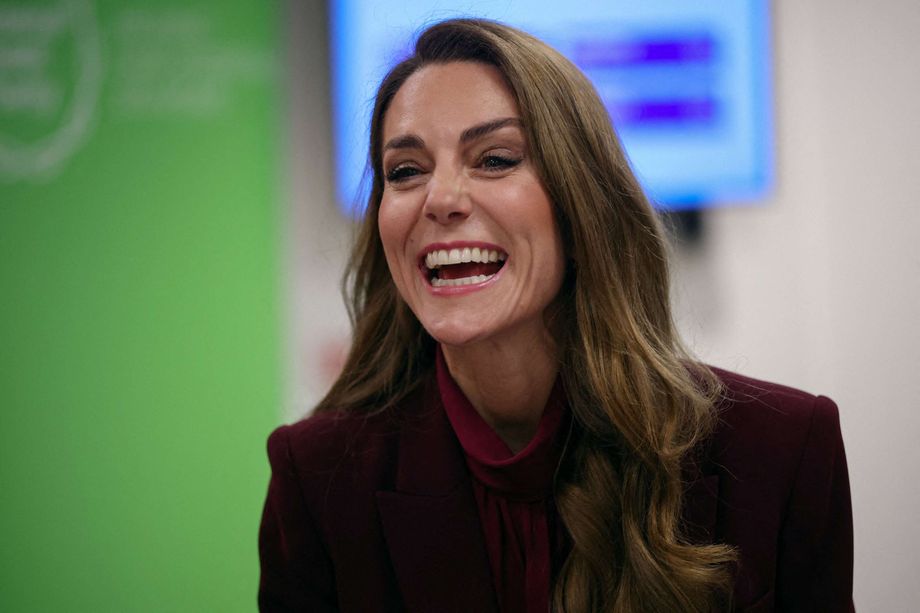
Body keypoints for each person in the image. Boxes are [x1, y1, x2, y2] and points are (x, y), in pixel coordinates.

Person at [258, 18, 854, 613]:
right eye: (406, 171)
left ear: (581, 206)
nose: (440, 199)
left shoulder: (783, 452)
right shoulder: (316, 479)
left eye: (494, 159)